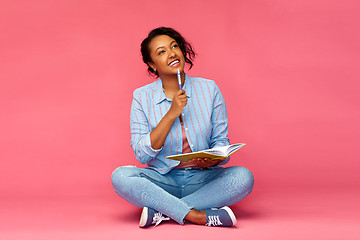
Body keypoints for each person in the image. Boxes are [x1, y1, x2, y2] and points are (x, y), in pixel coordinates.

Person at [111, 27, 254, 228]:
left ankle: (164, 211)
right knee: (121, 176)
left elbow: (221, 142)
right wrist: (171, 114)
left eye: (174, 46)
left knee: (243, 177)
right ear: (152, 64)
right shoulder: (141, 97)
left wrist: (213, 161)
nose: (171, 54)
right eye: (161, 52)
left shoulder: (209, 88)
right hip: (162, 180)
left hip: (203, 180)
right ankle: (199, 216)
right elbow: (141, 155)